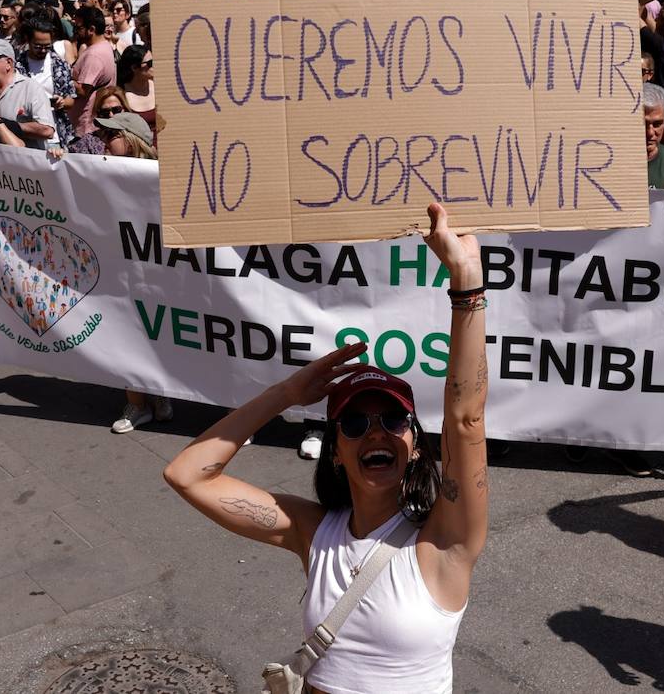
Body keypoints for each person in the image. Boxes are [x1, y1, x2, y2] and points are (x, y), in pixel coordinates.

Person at [164, 202, 487, 693]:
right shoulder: (314, 532)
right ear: (335, 449)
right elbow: (187, 475)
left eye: (394, 419)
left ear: (416, 446)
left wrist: (466, 286)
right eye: (355, 422)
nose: (376, 432)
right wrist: (285, 395)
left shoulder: (444, 543)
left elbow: (465, 421)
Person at [0, 39, 57, 150]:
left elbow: (47, 130)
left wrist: (6, 125)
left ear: (9, 63)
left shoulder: (30, 88)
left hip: (23, 162)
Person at [63, 7, 116, 138]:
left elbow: (82, 90)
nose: (75, 31)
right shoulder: (103, 46)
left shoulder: (94, 55)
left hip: (86, 127)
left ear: (91, 29)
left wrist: (63, 75)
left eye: (79, 28)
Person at [116, 44, 157, 140]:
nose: (154, 65)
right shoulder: (121, 95)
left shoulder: (160, 88)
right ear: (134, 68)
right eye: (150, 63)